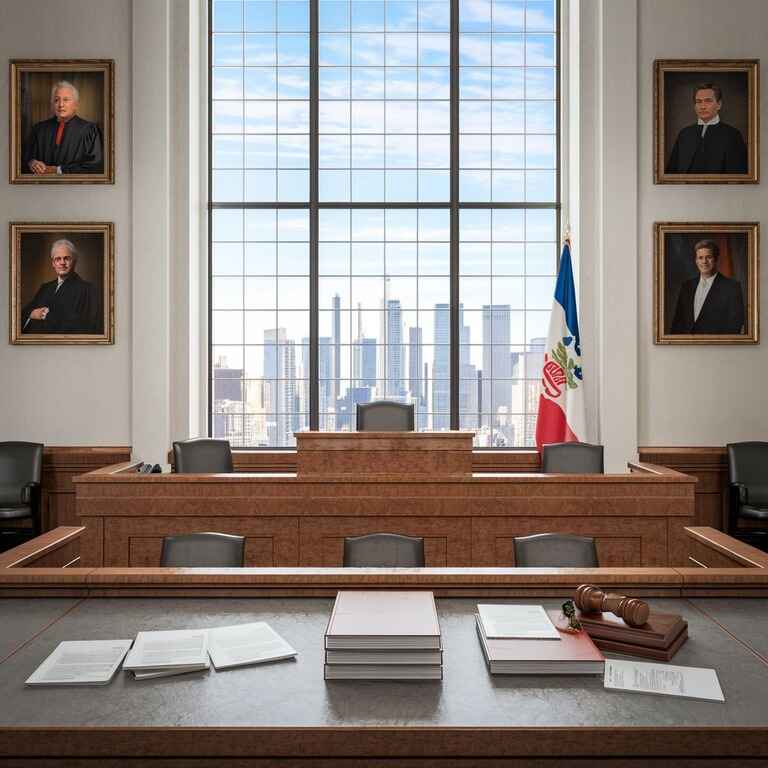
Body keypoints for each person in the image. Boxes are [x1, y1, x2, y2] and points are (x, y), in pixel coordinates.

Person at [22, 81, 103, 175]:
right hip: (42, 186)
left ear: (76, 105)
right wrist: (31, 163)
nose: (61, 105)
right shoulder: (39, 129)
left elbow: (95, 166)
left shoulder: (90, 130)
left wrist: (58, 170)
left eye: (66, 100)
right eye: (56, 100)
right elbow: (24, 160)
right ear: (52, 104)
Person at [21, 239, 101, 334]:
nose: (62, 263)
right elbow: (24, 312)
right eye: (58, 259)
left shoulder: (88, 290)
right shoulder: (45, 287)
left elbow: (86, 326)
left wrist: (47, 315)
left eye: (67, 258)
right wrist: (32, 314)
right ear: (53, 264)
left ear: (74, 261)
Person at [665, 83, 747, 174]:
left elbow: (739, 177)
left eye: (708, 101)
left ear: (719, 104)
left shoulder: (733, 135)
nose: (702, 106)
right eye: (699, 101)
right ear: (694, 106)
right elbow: (671, 174)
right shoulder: (684, 134)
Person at [670, 240, 745, 335]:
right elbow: (677, 323)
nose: (704, 261)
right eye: (700, 258)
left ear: (716, 259)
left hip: (716, 347)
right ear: (696, 261)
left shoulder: (732, 287)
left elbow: (735, 326)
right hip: (685, 347)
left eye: (708, 257)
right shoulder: (686, 286)